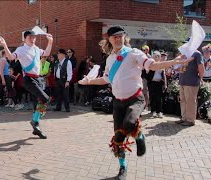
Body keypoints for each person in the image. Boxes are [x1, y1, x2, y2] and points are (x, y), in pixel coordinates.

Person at [78, 26, 193, 180]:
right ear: (110, 40)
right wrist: (89, 81)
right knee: (118, 139)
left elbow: (152, 65)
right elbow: (106, 79)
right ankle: (123, 168)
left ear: (124, 37)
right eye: (115, 37)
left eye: (120, 36)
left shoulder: (134, 53)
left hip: (135, 99)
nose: (118, 39)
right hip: (118, 102)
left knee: (130, 122)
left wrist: (173, 62)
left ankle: (139, 136)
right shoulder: (110, 59)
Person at [0, 30, 53, 139]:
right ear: (25, 38)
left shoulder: (37, 49)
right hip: (28, 79)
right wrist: (4, 45)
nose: (32, 39)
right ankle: (35, 122)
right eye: (30, 38)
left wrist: (50, 42)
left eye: (34, 37)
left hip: (36, 79)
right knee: (45, 99)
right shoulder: (21, 49)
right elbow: (10, 57)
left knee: (37, 104)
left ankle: (36, 128)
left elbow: (46, 53)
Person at [175, 39, 204, 127]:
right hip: (182, 81)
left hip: (192, 82)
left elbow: (201, 67)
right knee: (183, 100)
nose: (185, 45)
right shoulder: (184, 55)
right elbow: (178, 66)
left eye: (186, 44)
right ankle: (184, 118)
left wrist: (200, 78)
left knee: (190, 101)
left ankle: (190, 120)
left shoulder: (197, 53)